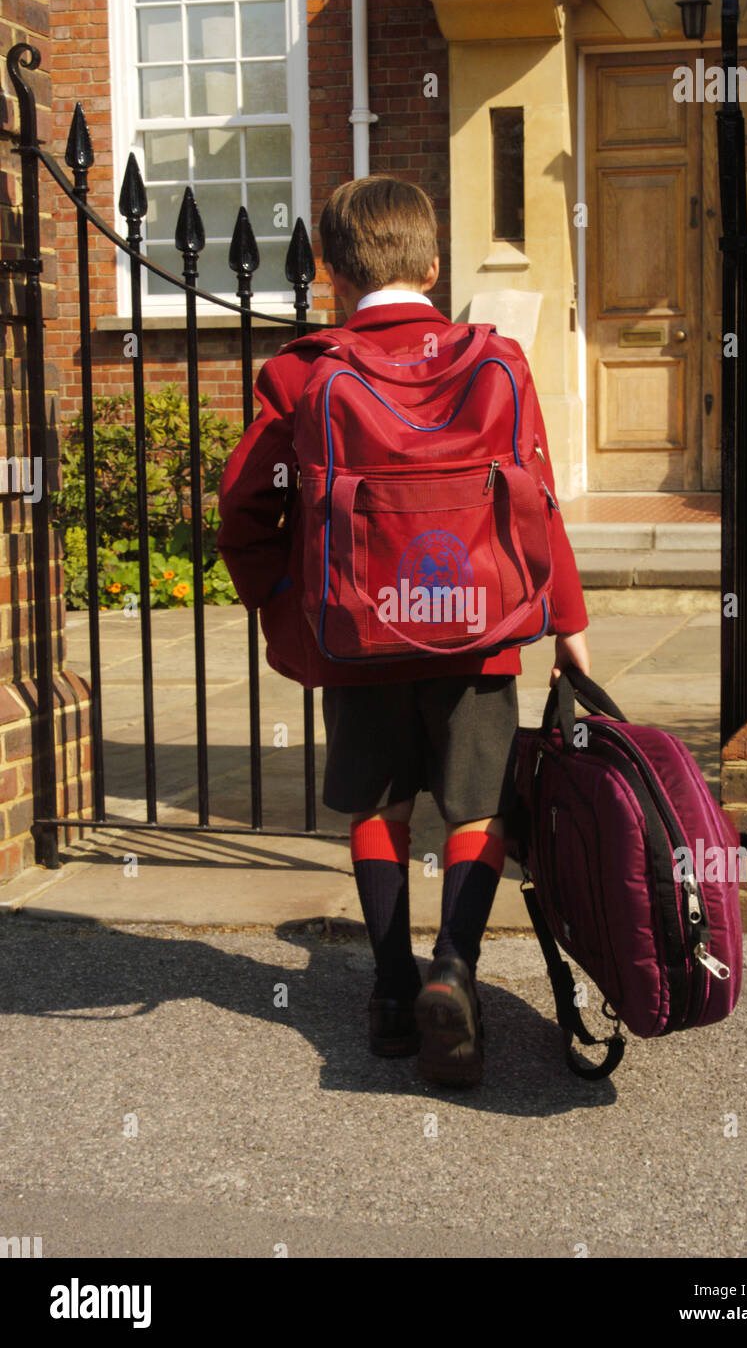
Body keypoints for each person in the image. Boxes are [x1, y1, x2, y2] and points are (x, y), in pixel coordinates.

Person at [218, 176, 591, 1089]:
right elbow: (536, 499)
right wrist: (569, 625)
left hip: (357, 639)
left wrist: (286, 608)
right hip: (480, 634)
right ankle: (453, 973)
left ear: (331, 276)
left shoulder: (304, 370)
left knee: (378, 809)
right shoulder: (494, 358)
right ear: (431, 264)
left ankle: (389, 995)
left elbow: (242, 511)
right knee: (477, 810)